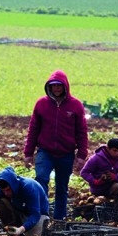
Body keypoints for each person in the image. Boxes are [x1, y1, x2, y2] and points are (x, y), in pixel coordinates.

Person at [23, 70, 89, 220]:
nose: (56, 89)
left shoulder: (75, 105)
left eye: (59, 86)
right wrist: (28, 153)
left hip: (66, 153)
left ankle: (59, 219)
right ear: (49, 87)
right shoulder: (41, 104)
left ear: (65, 86)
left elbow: (82, 131)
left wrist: (81, 155)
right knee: (41, 180)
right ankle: (41, 215)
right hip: (45, 151)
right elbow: (33, 129)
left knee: (62, 188)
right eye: (53, 86)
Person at [0, 166, 50, 236]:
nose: (6, 193)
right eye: (3, 191)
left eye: (8, 190)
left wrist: (21, 229)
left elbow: (35, 214)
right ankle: (13, 231)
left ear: (14, 185)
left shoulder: (29, 187)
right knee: (0, 202)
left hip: (38, 215)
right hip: (19, 212)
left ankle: (20, 231)